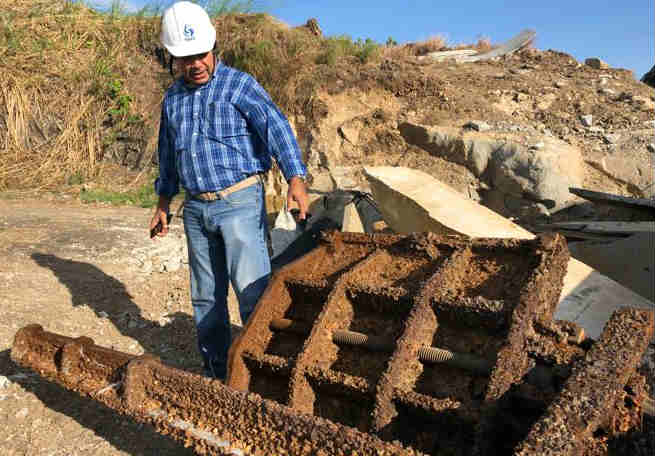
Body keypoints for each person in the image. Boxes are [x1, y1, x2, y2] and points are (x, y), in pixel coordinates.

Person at [149, 1, 309, 381]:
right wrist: (161, 203)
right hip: (196, 209)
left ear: (213, 46)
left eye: (201, 54)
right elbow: (168, 155)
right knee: (205, 297)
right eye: (185, 58)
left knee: (252, 292)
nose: (196, 64)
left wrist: (296, 179)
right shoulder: (172, 99)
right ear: (173, 58)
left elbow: (277, 128)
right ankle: (218, 373)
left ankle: (261, 374)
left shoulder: (239, 85)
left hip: (239, 201)